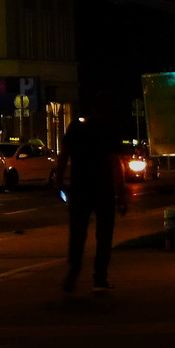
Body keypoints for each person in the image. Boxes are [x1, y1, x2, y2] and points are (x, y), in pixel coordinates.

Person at [56, 93, 129, 292]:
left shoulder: (75, 128)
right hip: (103, 189)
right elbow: (115, 164)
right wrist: (121, 193)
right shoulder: (107, 130)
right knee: (104, 235)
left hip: (79, 188)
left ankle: (74, 271)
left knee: (77, 232)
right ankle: (100, 278)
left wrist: (59, 180)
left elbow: (64, 156)